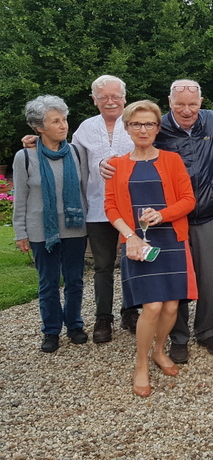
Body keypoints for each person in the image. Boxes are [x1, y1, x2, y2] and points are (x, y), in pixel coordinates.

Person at [104, 100, 197, 397]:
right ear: (127, 128)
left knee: (171, 306)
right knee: (152, 306)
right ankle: (141, 363)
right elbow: (110, 207)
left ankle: (159, 350)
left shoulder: (172, 160)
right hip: (136, 242)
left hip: (171, 238)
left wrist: (163, 214)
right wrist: (130, 236)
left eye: (149, 124)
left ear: (158, 128)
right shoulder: (116, 165)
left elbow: (188, 199)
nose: (143, 129)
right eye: (136, 124)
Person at [156, 79, 213, 362]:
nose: (187, 110)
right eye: (180, 104)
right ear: (169, 102)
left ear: (201, 102)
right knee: (177, 279)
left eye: (193, 104)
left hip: (211, 212)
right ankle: (178, 336)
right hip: (173, 216)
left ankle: (207, 330)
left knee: (210, 277)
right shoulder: (157, 126)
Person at [13, 95, 87, 353]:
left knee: (75, 281)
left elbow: (84, 190)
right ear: (39, 127)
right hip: (41, 230)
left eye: (64, 119)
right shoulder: (24, 157)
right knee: (48, 283)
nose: (63, 125)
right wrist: (20, 232)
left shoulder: (76, 152)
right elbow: (20, 198)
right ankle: (51, 330)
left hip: (75, 227)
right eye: (55, 121)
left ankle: (75, 325)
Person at [70, 75, 137, 342]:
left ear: (124, 98)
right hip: (98, 207)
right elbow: (69, 157)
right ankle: (103, 318)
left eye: (115, 96)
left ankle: (130, 311)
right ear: (94, 100)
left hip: (132, 207)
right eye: (104, 97)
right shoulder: (86, 128)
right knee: (103, 266)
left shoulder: (135, 122)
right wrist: (36, 142)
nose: (110, 102)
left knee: (133, 262)